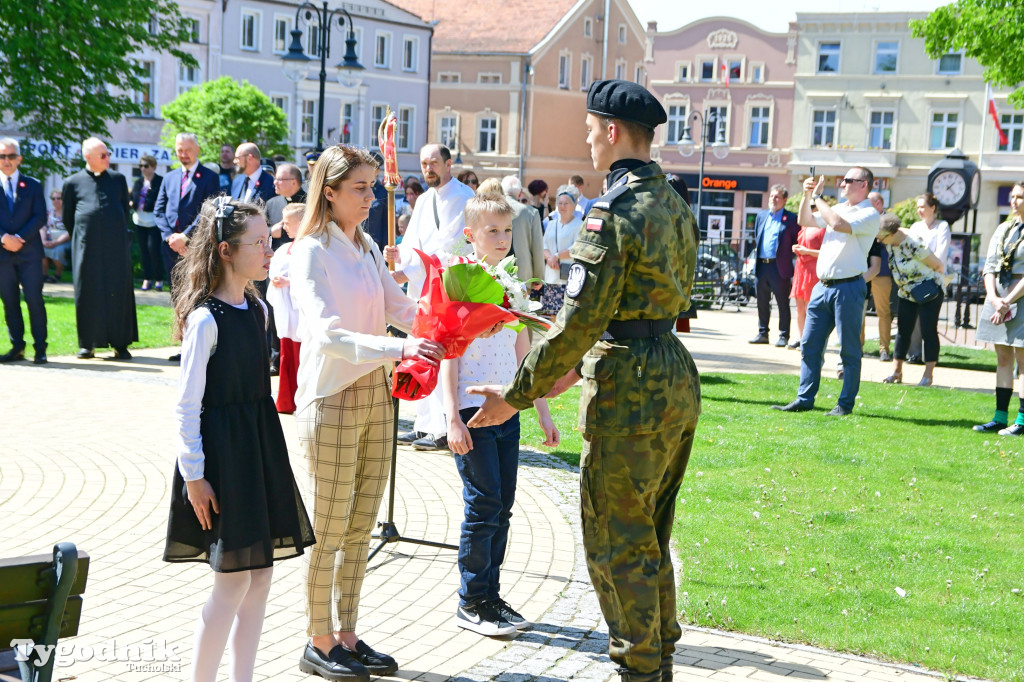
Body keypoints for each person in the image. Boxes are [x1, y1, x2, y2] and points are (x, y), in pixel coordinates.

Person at [466, 79, 701, 682]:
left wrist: (517, 395)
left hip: (631, 385)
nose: (589, 142)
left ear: (615, 133)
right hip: (672, 372)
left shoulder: (614, 212)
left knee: (616, 538)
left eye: (593, 132)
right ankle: (657, 657)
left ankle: (641, 669)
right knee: (650, 530)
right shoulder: (673, 202)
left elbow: (580, 321)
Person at [290, 144, 444, 681]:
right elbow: (327, 335)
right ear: (328, 193)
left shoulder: (368, 245)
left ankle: (348, 636)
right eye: (360, 188)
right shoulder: (310, 250)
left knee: (360, 527)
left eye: (373, 186)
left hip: (378, 396)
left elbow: (399, 309)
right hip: (331, 398)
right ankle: (318, 639)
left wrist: (451, 323)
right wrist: (400, 349)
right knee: (329, 529)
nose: (371, 196)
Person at [163, 196, 315, 682]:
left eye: (269, 242)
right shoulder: (207, 320)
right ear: (227, 250)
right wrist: (194, 476)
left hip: (258, 450)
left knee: (262, 576)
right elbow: (188, 405)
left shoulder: (258, 308)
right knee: (231, 582)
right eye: (259, 244)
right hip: (222, 461)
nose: (269, 252)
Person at [443, 188, 559, 637]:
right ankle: (471, 600)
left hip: (506, 408)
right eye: (492, 230)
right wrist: (451, 417)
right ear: (470, 235)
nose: (502, 237)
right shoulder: (459, 283)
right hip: (472, 410)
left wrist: (541, 410)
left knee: (503, 505)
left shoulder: (511, 286)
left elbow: (524, 354)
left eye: (507, 229)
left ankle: (491, 594)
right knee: (483, 503)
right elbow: (448, 355)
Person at [387, 143, 475, 451]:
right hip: (421, 288)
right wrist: (399, 260)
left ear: (448, 163)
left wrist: (416, 264)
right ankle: (423, 423)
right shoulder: (424, 200)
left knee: (438, 353)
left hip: (444, 287)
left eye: (434, 162)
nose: (428, 169)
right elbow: (413, 242)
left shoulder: (464, 198)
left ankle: (441, 426)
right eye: (424, 163)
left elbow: (452, 245)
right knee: (418, 352)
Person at [772, 167, 879, 416]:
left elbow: (837, 224)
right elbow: (805, 221)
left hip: (849, 287)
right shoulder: (839, 207)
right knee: (809, 344)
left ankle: (845, 404)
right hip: (823, 286)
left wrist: (819, 198)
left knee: (849, 349)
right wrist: (808, 195)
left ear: (863, 185)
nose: (842, 184)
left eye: (847, 180)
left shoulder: (869, 213)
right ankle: (805, 398)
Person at [62, 137, 139, 360]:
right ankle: (88, 344)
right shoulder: (72, 183)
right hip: (87, 249)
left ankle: (120, 344)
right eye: (103, 155)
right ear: (88, 157)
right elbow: (69, 219)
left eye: (108, 154)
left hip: (116, 248)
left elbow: (124, 212)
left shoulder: (118, 179)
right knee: (88, 292)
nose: (108, 159)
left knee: (119, 292)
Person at [973, 181, 1024, 435]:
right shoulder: (1005, 228)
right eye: (1013, 196)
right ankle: (999, 417)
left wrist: (1007, 301)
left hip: (1019, 297)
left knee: (1023, 361)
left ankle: (1022, 422)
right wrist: (994, 298)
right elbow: (990, 265)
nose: (1014, 201)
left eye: (1020, 197)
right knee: (1003, 358)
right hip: (999, 296)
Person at [875, 213, 945, 387]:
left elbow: (938, 265)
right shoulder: (890, 243)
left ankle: (928, 375)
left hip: (928, 291)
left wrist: (923, 279)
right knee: (902, 330)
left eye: (881, 238)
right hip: (906, 293)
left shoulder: (914, 243)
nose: (879, 241)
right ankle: (896, 372)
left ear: (891, 234)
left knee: (928, 330)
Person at [0, 137, 48, 364]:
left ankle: (40, 348)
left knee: (34, 299)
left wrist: (18, 238)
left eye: (10, 156)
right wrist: (3, 238)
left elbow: (40, 216)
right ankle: (17, 346)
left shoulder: (33, 185)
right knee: (9, 301)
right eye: (2, 156)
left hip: (29, 253)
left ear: (19, 159)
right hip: (2, 254)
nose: (6, 161)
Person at [154, 132, 222, 288]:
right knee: (175, 291)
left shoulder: (210, 177)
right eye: (180, 150)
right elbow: (159, 211)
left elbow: (209, 211)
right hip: (170, 246)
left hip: (196, 245)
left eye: (188, 150)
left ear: (197, 150)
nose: (183, 154)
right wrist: (170, 237)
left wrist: (185, 237)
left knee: (196, 290)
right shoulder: (169, 177)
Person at [749, 185, 799, 347]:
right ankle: (763, 333)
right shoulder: (761, 216)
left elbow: (796, 241)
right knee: (762, 301)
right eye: (771, 196)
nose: (773, 199)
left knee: (782, 303)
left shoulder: (791, 219)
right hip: (762, 265)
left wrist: (787, 258)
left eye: (777, 197)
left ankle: (784, 335)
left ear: (784, 200)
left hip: (779, 268)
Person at [267, 203, 305, 414]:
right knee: (286, 355)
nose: (284, 227)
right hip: (285, 310)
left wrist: (290, 282)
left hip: (301, 313)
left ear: (301, 223)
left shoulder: (313, 246)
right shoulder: (283, 248)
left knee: (301, 356)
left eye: (288, 222)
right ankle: (286, 400)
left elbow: (316, 279)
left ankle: (302, 400)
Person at [905, 192, 951, 363]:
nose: (919, 210)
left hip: (933, 279)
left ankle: (929, 358)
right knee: (913, 320)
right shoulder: (915, 227)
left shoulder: (942, 227)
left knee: (928, 323)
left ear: (933, 208)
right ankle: (914, 354)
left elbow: (941, 255)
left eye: (922, 206)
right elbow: (908, 251)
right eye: (917, 207)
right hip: (914, 279)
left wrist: (924, 264)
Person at [540, 184, 583, 317]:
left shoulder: (580, 225)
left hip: (569, 278)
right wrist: (549, 258)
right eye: (560, 203)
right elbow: (544, 244)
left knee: (566, 315)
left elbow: (577, 247)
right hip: (551, 276)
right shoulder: (552, 223)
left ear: (574, 204)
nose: (562, 206)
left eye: (566, 203)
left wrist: (557, 256)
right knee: (551, 314)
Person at [496, 176, 544, 288]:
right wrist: (539, 277)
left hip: (497, 270)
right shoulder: (531, 212)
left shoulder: (492, 210)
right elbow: (537, 247)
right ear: (520, 193)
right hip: (524, 274)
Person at [789, 220, 825, 350]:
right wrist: (797, 249)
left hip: (813, 269)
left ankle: (811, 339)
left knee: (811, 306)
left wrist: (807, 251)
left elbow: (826, 253)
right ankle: (801, 338)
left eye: (813, 206)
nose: (811, 209)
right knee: (799, 307)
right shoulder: (804, 226)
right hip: (801, 268)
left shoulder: (822, 227)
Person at [130, 154, 164, 291]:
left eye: (146, 166)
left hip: (154, 221)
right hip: (139, 220)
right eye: (141, 166)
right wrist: (132, 201)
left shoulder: (160, 181)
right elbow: (133, 196)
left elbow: (163, 199)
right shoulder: (138, 182)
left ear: (153, 167)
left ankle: (159, 280)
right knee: (144, 251)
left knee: (153, 249)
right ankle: (147, 279)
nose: (143, 169)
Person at [868, 191, 893, 361]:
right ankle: (858, 345)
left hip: (882, 271)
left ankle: (884, 349)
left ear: (878, 204)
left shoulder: (889, 221)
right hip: (861, 269)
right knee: (858, 310)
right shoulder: (863, 217)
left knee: (883, 311)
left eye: (868, 202)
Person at [266, 163, 307, 249]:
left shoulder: (310, 203)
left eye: (279, 179)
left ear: (293, 182)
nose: (275, 182)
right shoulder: (272, 203)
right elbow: (259, 229)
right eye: (275, 178)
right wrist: (271, 231)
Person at [41, 190, 71, 283]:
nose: (56, 200)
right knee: (40, 248)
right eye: (53, 198)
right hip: (49, 239)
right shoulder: (48, 212)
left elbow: (71, 231)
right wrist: (43, 240)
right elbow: (43, 227)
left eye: (59, 198)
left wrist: (56, 242)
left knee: (58, 250)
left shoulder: (69, 213)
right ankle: (44, 274)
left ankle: (57, 274)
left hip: (65, 240)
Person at [363, 152, 390, 253]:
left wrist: (385, 250)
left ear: (377, 171)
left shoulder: (384, 192)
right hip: (355, 243)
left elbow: (387, 224)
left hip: (374, 246)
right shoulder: (357, 189)